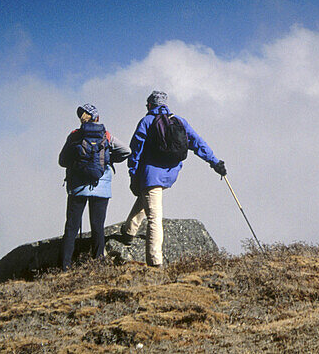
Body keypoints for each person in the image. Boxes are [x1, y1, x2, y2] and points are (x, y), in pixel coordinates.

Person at [121, 90, 226, 266]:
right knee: (147, 199)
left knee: (154, 217)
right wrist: (215, 162)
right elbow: (198, 143)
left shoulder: (147, 121)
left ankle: (155, 262)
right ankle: (129, 231)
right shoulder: (179, 121)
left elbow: (135, 150)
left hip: (150, 176)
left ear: (149, 105)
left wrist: (133, 174)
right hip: (169, 175)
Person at [57, 103, 130, 271]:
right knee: (98, 226)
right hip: (101, 187)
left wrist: (76, 165)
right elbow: (126, 151)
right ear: (97, 117)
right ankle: (98, 262)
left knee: (71, 227)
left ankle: (65, 266)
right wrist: (108, 160)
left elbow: (62, 161)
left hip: (77, 188)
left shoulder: (75, 136)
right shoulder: (106, 135)